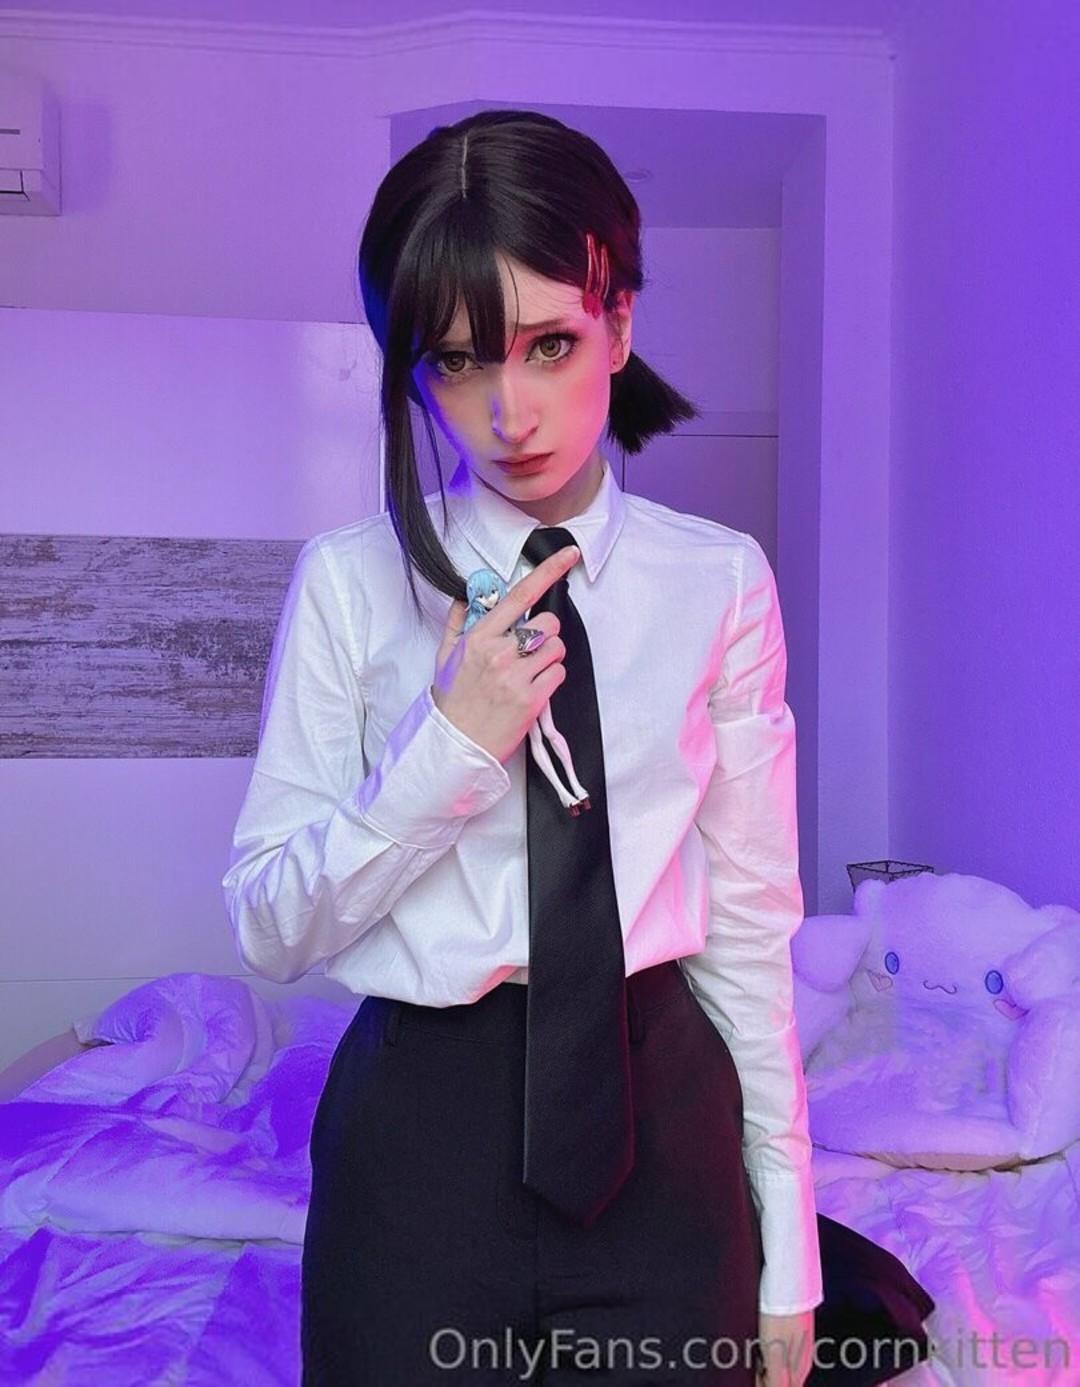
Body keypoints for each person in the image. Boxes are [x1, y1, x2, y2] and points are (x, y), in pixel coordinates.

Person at [222, 109, 823, 1386]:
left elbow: (752, 925)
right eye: (455, 362)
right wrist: (447, 745)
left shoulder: (720, 582)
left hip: (662, 1122)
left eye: (551, 344)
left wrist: (790, 1248)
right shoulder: (350, 583)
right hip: (419, 1136)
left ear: (620, 321)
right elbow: (270, 928)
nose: (509, 411)